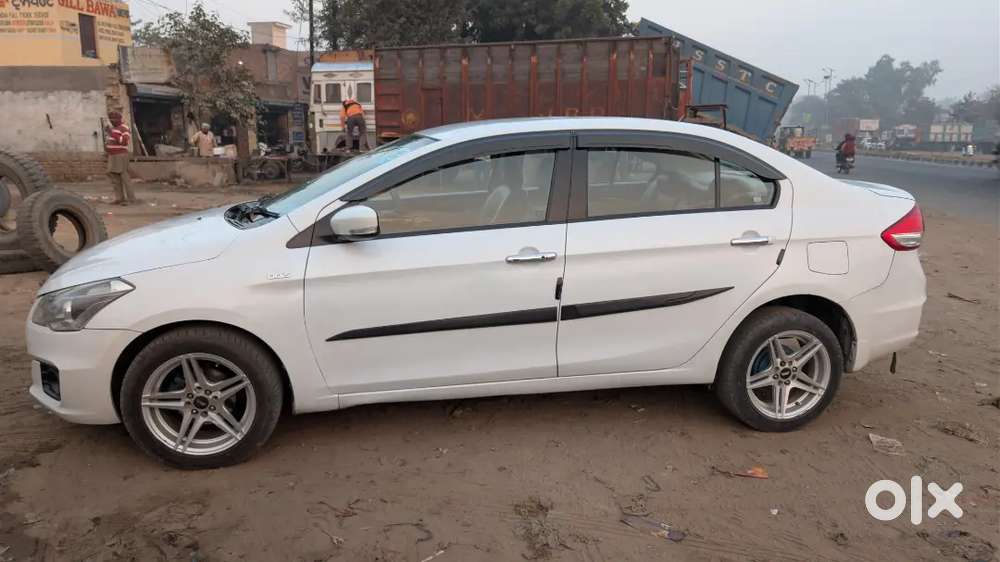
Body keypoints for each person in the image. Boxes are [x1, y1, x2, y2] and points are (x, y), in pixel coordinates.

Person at [104, 111, 135, 205]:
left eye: (113, 119)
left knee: (124, 176)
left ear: (119, 119)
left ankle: (131, 199)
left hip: (121, 155)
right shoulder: (114, 129)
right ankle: (119, 198)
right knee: (113, 175)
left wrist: (111, 133)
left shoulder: (124, 128)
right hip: (112, 155)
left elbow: (124, 142)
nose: (111, 121)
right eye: (110, 119)